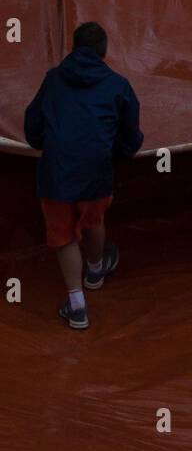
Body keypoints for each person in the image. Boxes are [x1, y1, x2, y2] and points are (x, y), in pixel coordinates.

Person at [23, 22, 143, 330]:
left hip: (56, 174)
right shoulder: (119, 85)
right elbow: (131, 137)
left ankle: (77, 307)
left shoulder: (52, 80)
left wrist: (45, 144)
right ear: (104, 51)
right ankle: (95, 271)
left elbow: (33, 127)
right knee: (94, 221)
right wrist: (116, 152)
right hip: (96, 172)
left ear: (74, 48)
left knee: (64, 236)